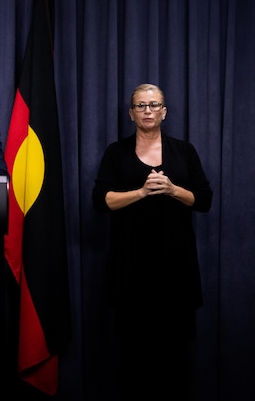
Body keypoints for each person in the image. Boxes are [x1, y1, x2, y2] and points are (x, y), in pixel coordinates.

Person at [92, 83, 213, 401]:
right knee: (132, 358)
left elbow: (204, 199)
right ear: (131, 113)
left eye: (154, 105)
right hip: (130, 269)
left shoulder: (184, 151)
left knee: (176, 359)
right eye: (141, 105)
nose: (148, 111)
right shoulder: (116, 153)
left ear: (164, 112)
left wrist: (172, 189)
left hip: (176, 269)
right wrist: (142, 192)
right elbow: (101, 201)